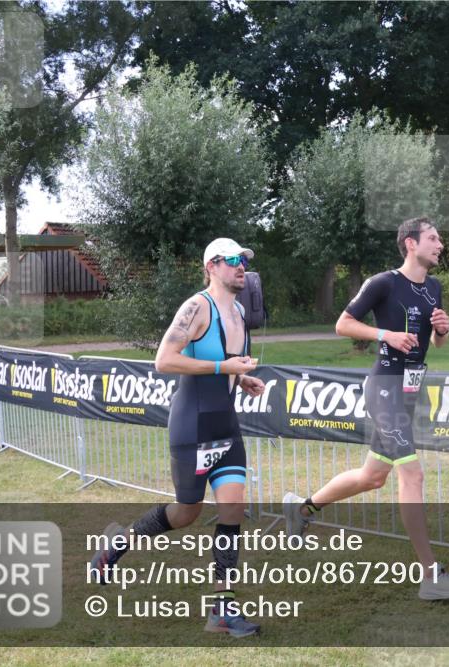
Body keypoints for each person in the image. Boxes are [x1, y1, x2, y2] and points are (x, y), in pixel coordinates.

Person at [283, 217, 449, 601]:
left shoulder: (434, 287)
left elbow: (437, 345)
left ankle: (302, 510)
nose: (440, 245)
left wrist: (442, 330)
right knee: (413, 476)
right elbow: (343, 324)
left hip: (410, 391)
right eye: (433, 238)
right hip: (384, 387)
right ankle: (430, 576)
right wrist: (385, 334)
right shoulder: (383, 283)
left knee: (373, 476)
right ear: (410, 243)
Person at [88, 238, 266, 637]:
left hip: (226, 425)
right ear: (212, 265)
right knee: (187, 513)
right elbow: (164, 360)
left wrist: (242, 377)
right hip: (193, 427)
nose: (242, 268)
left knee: (233, 509)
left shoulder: (238, 310)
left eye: (245, 262)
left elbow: (226, 367)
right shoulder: (196, 307)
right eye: (235, 261)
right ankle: (118, 544)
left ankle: (222, 609)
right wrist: (223, 366)